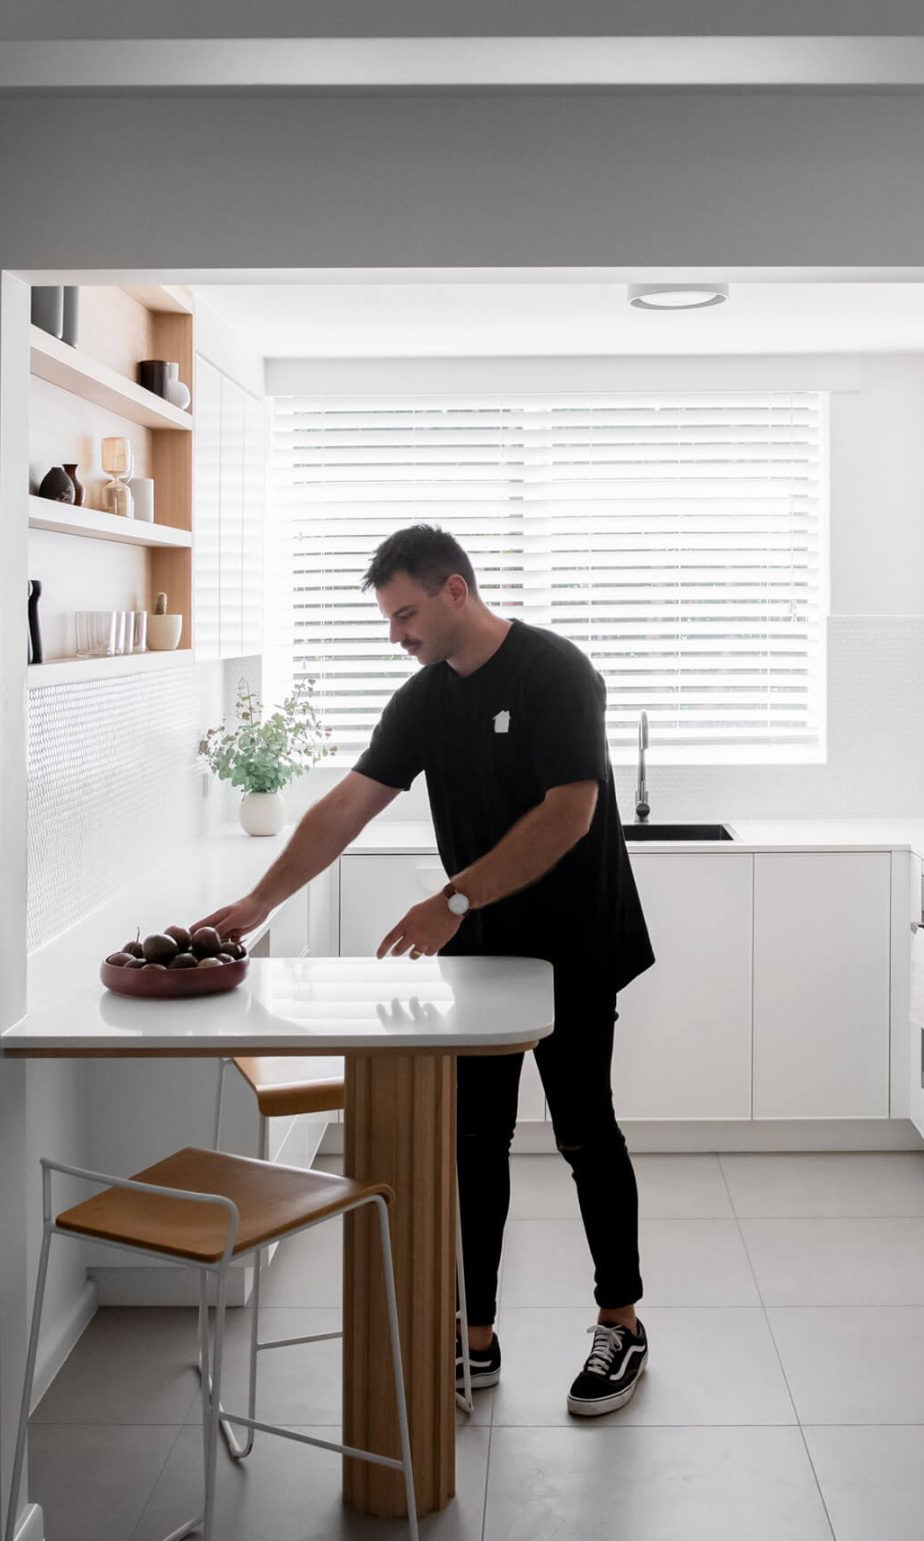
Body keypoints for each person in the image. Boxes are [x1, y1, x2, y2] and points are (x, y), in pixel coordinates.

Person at [197, 524, 655, 1417]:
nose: (398, 634)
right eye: (388, 619)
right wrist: (260, 903)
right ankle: (473, 1334)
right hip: (480, 953)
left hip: (573, 947)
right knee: (474, 1141)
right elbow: (346, 807)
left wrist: (450, 902)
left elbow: (570, 813)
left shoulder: (557, 672)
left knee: (584, 1132)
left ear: (456, 591)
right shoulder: (423, 701)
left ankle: (621, 1322)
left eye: (406, 613)